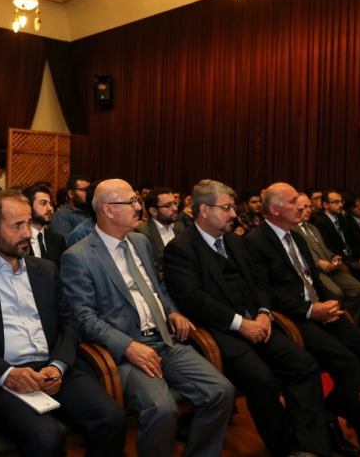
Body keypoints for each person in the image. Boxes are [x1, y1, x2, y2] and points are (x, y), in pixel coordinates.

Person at [0, 190, 126, 456]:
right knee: (46, 439)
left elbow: (69, 323)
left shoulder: (45, 270)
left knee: (112, 419)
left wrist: (58, 366)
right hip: (2, 378)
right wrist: (7, 374)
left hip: (52, 371)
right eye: (17, 226)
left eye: (27, 223)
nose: (27, 233)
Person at [61, 179, 235, 457]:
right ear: (108, 210)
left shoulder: (140, 242)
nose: (138, 207)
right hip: (125, 351)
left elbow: (157, 285)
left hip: (165, 340)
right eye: (131, 202)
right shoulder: (79, 256)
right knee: (161, 409)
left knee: (222, 391)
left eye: (136, 200)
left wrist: (172, 311)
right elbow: (84, 317)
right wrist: (128, 347)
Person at [163, 179, 330, 457]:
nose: (233, 214)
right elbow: (194, 301)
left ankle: (311, 447)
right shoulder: (180, 248)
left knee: (304, 364)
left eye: (233, 207)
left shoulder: (236, 242)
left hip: (258, 324)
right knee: (262, 379)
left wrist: (264, 313)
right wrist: (241, 325)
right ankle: (285, 448)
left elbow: (261, 282)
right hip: (219, 333)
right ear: (204, 210)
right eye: (226, 208)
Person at [246, 182, 360, 454]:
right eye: (293, 202)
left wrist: (329, 302)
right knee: (348, 363)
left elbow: (312, 279)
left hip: (320, 311)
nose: (301, 206)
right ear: (274, 209)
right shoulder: (255, 243)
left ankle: (331, 408)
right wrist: (311, 310)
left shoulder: (297, 236)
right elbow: (265, 293)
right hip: (294, 319)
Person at [292, 194, 360, 324]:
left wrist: (333, 257)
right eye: (305, 207)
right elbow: (298, 254)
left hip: (330, 267)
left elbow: (324, 249)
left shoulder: (312, 227)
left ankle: (349, 323)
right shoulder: (292, 229)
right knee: (336, 293)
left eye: (310, 207)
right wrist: (318, 262)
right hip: (314, 270)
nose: (309, 210)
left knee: (359, 290)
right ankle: (338, 325)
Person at [135, 187, 185, 271]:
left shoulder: (180, 227)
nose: (175, 208)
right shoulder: (143, 232)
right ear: (153, 211)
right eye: (168, 205)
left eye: (175, 203)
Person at [22, 183, 67, 266]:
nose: (50, 208)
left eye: (50, 204)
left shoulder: (57, 240)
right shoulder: (19, 238)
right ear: (29, 207)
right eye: (43, 203)